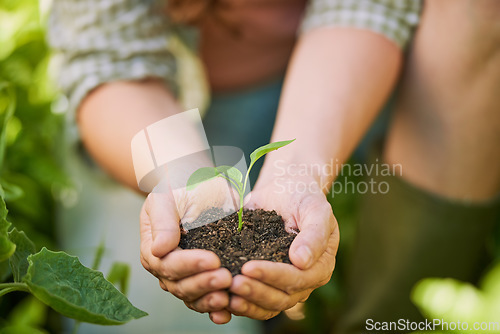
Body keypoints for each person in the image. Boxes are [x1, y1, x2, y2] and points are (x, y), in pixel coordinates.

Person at [48, 0, 500, 333]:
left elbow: (365, 7)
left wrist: (297, 174)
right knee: (150, 319)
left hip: (363, 76)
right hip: (176, 117)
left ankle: (389, 317)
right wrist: (185, 184)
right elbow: (108, 59)